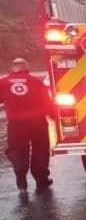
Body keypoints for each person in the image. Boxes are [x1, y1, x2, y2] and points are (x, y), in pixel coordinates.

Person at [0, 58, 55, 193]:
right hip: (37, 124)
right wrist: (54, 117)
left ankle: (20, 176)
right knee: (40, 151)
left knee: (17, 151)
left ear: (12, 69)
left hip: (16, 125)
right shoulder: (36, 82)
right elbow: (48, 103)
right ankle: (41, 180)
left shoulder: (3, 83)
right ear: (26, 68)